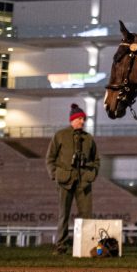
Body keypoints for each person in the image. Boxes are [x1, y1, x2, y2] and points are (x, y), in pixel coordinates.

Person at [46, 103, 100, 255]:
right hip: (65, 181)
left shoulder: (89, 139)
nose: (82, 121)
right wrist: (55, 174)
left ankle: (88, 247)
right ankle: (61, 246)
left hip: (84, 182)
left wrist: (92, 174)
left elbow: (97, 160)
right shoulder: (60, 135)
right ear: (72, 120)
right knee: (63, 215)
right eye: (79, 119)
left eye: (83, 119)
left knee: (87, 215)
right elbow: (50, 158)